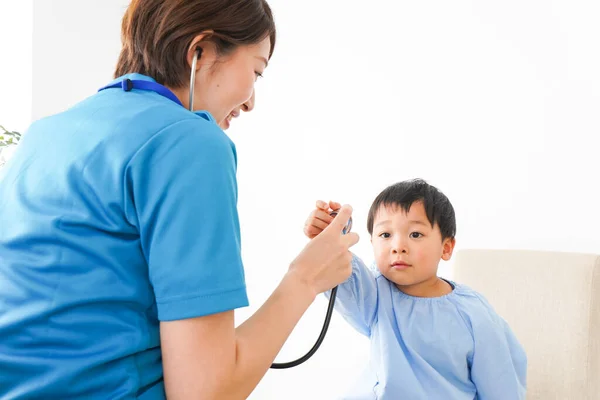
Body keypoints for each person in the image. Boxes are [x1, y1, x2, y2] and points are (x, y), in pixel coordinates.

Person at [0, 1, 359, 399]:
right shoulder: (190, 141)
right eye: (256, 71)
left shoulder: (44, 135)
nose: (251, 101)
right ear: (200, 52)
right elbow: (206, 392)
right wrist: (307, 276)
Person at [304, 179, 527, 400]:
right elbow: (341, 274)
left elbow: (500, 383)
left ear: (446, 247)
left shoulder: (473, 313)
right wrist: (327, 236)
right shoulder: (375, 293)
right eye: (385, 235)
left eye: (415, 234)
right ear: (372, 242)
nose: (397, 246)